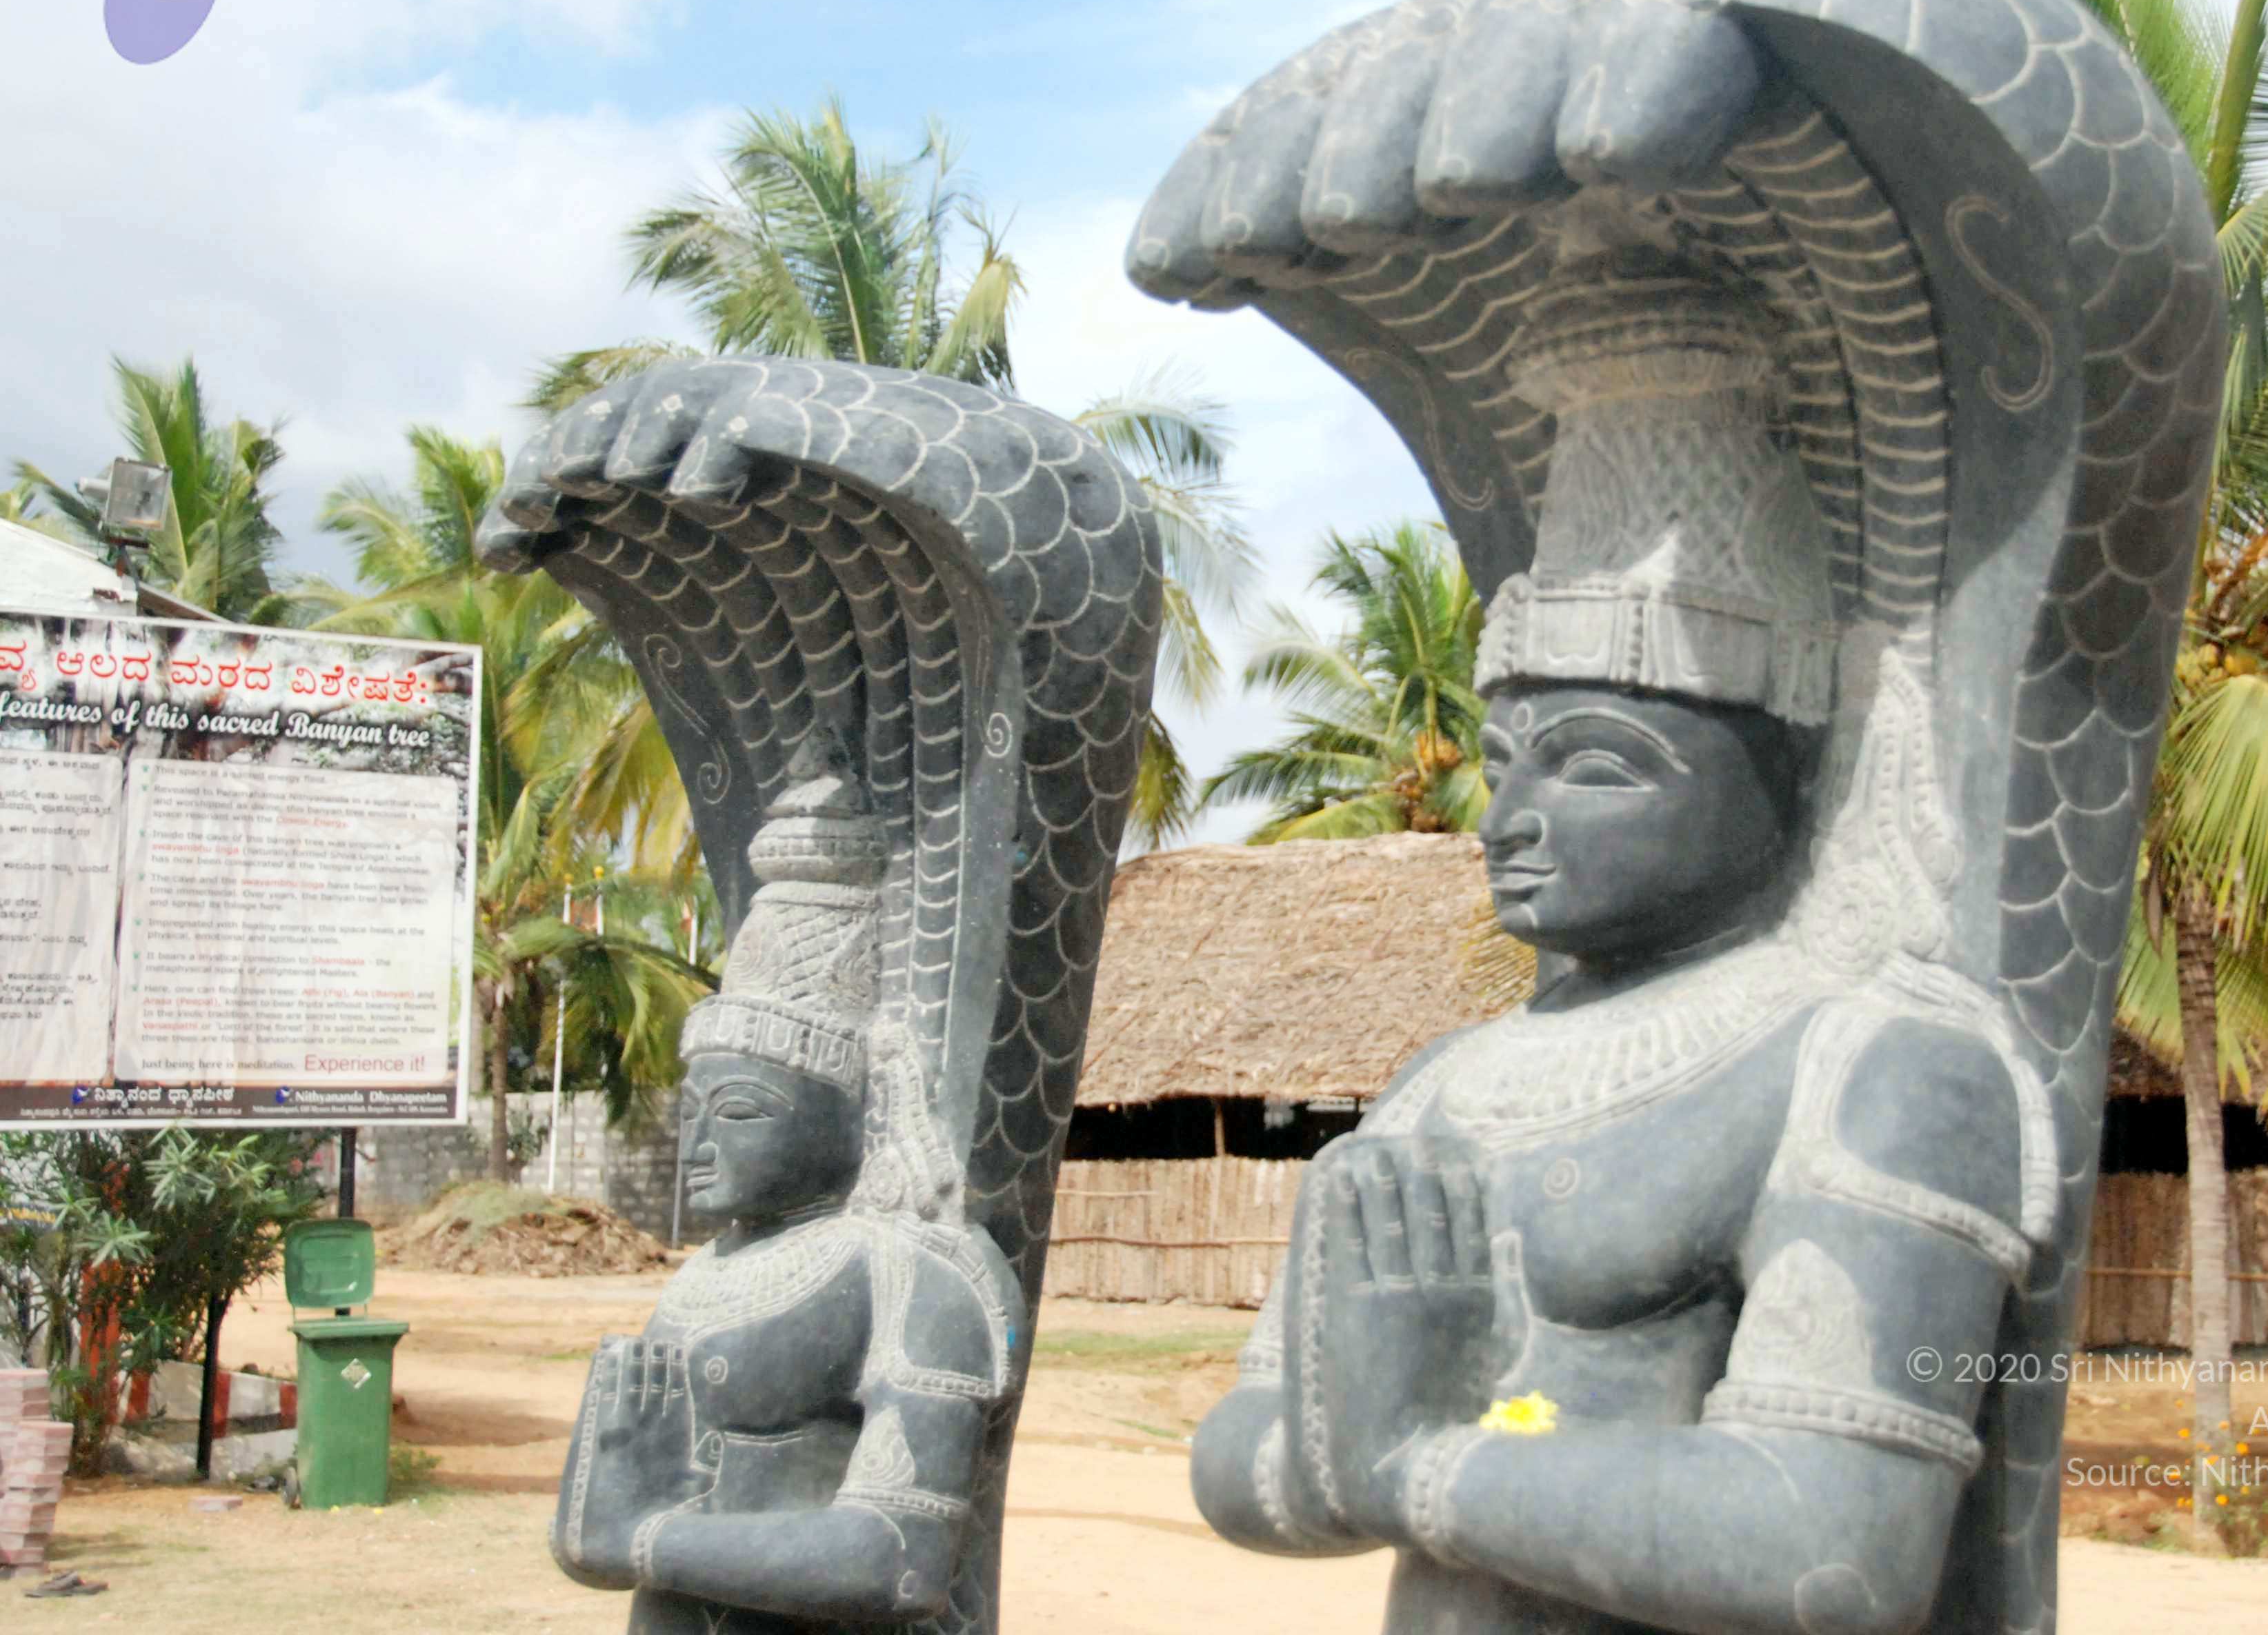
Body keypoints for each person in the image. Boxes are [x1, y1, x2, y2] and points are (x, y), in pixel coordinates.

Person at [1188, 228, 2058, 1635]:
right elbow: (1237, 1449)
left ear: (1786, 776)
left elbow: (1832, 1550)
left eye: (1596, 767)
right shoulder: (1444, 1085)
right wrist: (1362, 1445)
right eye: (1504, 764)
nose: (1510, 820)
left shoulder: (1875, 1069)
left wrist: (1407, 1462)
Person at [550, 745, 1022, 1635]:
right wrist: (610, 1525)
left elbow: (898, 1557)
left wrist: (646, 1540)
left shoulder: (914, 1273)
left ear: (858, 1107)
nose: (698, 1144)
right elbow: (585, 1532)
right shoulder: (703, 1279)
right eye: (690, 1111)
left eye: (739, 1112)